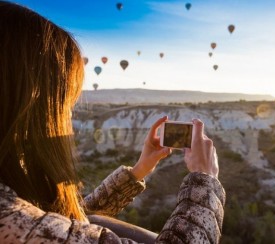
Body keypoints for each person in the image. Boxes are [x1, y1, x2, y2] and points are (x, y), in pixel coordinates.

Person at [0, 1, 225, 243]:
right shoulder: (10, 219)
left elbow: (65, 227)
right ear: (25, 102)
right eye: (65, 101)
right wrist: (204, 181)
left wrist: (138, 171)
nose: (69, 114)